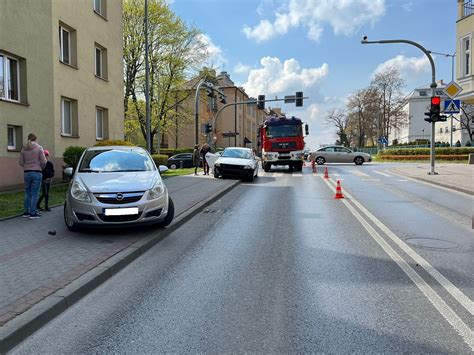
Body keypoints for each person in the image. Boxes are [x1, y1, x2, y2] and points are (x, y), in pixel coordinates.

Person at [19, 133, 47, 219]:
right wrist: (40, 168)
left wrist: (27, 166)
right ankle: (33, 213)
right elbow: (44, 161)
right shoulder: (39, 148)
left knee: (27, 192)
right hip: (36, 172)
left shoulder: (23, 149)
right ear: (35, 139)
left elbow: (20, 162)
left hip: (26, 172)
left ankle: (26, 212)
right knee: (35, 193)